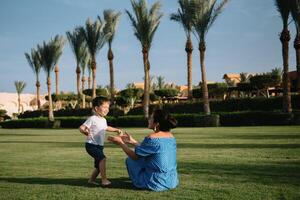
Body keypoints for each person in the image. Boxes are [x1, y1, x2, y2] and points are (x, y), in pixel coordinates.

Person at [108, 109, 179, 191]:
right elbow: (152, 149)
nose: (149, 120)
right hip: (172, 181)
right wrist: (132, 141)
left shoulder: (152, 138)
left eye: (151, 118)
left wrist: (121, 143)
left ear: (157, 124)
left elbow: (135, 157)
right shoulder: (171, 136)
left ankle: (142, 180)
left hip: (156, 183)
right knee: (145, 159)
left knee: (130, 160)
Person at [79, 96, 122, 187]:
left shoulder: (103, 120)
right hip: (91, 145)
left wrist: (116, 130)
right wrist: (86, 133)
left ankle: (91, 180)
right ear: (96, 108)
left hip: (99, 146)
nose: (107, 109)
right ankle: (104, 180)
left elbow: (106, 127)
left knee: (98, 165)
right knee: (102, 159)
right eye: (104, 107)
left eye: (108, 107)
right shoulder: (92, 119)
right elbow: (81, 128)